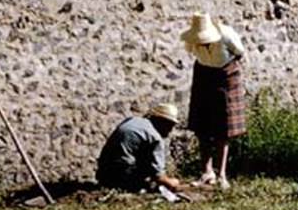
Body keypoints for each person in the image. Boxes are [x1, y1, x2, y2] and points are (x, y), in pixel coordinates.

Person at [180, 12, 246, 190]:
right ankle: (206, 172)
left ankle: (222, 174)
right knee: (202, 126)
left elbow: (240, 53)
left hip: (227, 74)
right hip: (203, 74)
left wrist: (227, 75)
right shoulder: (192, 40)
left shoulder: (226, 35)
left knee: (223, 128)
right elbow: (194, 55)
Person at [96, 103, 182, 194]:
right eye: (169, 125)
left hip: (103, 174)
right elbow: (159, 177)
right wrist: (173, 183)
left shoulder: (132, 120)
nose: (170, 130)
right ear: (161, 121)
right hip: (121, 178)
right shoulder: (155, 137)